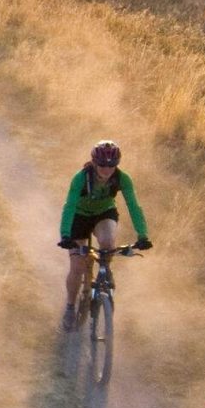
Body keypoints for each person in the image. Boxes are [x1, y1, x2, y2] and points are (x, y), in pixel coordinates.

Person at [57, 139, 150, 330]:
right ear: (93, 162)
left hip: (104, 213)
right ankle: (70, 306)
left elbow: (133, 205)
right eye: (102, 165)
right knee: (77, 266)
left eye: (111, 166)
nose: (107, 170)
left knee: (107, 243)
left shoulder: (122, 179)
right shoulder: (81, 178)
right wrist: (65, 235)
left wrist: (143, 235)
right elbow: (69, 206)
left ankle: (104, 273)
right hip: (79, 216)